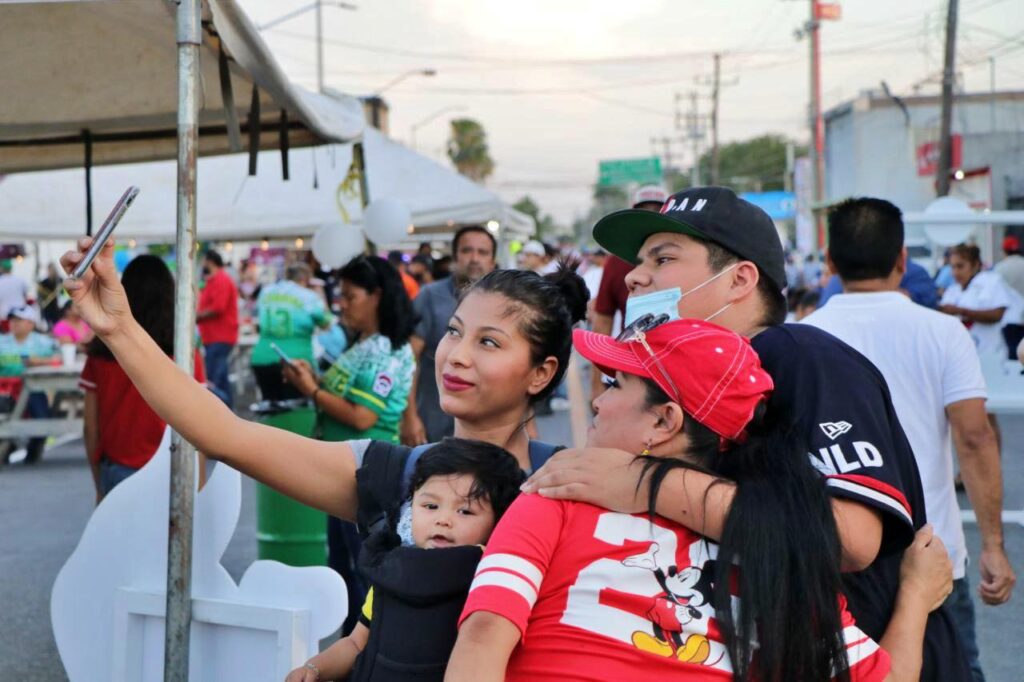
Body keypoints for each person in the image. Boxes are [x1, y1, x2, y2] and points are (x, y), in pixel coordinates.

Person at [522, 186, 972, 681]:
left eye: (663, 257)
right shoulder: (686, 380)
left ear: (739, 279)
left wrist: (642, 482)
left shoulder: (796, 354)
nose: (634, 275)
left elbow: (851, 537)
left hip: (876, 657)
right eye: (638, 260)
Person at [450, 318, 954, 682]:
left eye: (614, 383)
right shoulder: (780, 558)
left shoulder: (559, 492)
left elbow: (483, 638)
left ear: (664, 421)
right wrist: (914, 599)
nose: (598, 401)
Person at [60, 236, 585, 551]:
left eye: (488, 342)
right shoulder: (391, 473)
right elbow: (224, 434)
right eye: (453, 331)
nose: (457, 355)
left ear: (541, 373)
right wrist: (120, 328)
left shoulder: (576, 485)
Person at [803, 198, 1016, 682]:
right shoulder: (942, 332)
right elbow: (975, 439)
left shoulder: (802, 337)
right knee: (958, 668)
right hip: (932, 547)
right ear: (902, 259)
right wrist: (994, 546)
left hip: (839, 554)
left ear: (831, 262)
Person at [286, 438, 524, 682]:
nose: (443, 520)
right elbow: (357, 643)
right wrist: (314, 669)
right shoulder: (391, 568)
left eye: (465, 511)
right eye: (430, 506)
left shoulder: (493, 577)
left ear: (499, 522)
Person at [281, 254, 416, 632]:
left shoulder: (387, 349)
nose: (342, 306)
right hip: (346, 471)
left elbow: (362, 417)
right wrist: (314, 381)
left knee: (363, 574)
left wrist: (312, 391)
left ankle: (362, 656)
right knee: (344, 571)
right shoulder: (365, 344)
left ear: (376, 296)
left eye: (350, 296)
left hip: (369, 475)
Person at [80, 255, 206, 499]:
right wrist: (199, 484)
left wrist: (98, 483)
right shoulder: (185, 356)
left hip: (117, 469)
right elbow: (201, 428)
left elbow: (90, 427)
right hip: (173, 467)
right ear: (170, 296)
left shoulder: (100, 355)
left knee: (122, 538)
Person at [401, 226, 498, 446]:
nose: (474, 258)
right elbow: (408, 361)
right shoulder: (429, 296)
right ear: (454, 258)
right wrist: (410, 417)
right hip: (433, 424)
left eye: (482, 252)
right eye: (467, 251)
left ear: (492, 261)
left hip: (485, 428)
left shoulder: (504, 303)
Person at [590, 186, 668, 403]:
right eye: (644, 212)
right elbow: (603, 322)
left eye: (657, 211)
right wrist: (596, 385)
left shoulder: (685, 260)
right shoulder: (616, 263)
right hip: (632, 370)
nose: (651, 218)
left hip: (680, 370)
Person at [249, 263, 332, 402]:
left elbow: (257, 317)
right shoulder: (309, 296)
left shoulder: (267, 291)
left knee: (271, 408)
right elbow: (326, 324)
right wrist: (320, 295)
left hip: (262, 357)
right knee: (297, 412)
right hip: (296, 362)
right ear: (305, 279)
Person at [939, 243, 1024, 357]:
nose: (955, 272)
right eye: (952, 267)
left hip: (990, 354)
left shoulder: (991, 282)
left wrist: (961, 311)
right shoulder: (952, 290)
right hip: (961, 355)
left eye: (960, 266)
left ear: (975, 265)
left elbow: (997, 315)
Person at [0, 305, 58, 462]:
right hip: (5, 391)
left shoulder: (44, 342)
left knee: (42, 416)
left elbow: (60, 359)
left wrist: (38, 362)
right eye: (12, 320)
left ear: (31, 323)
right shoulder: (2, 341)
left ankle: (34, 449)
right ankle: (7, 446)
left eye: (19, 320)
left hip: (33, 389)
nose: (15, 323)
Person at [196, 250, 239, 407]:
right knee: (220, 379)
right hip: (214, 337)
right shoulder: (213, 280)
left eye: (204, 261)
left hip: (220, 337)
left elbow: (218, 308)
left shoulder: (221, 280)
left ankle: (223, 415)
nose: (202, 264)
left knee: (215, 381)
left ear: (210, 261)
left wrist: (196, 317)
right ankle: (229, 414)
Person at [0, 259, 29, 331]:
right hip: (21, 316)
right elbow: (25, 297)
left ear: (1, 268)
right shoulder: (21, 280)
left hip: (5, 318)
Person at [37, 263, 63, 328]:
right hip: (47, 308)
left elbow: (64, 295)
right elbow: (40, 296)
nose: (50, 271)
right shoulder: (43, 283)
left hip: (58, 308)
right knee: (49, 326)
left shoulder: (60, 280)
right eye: (49, 270)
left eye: (52, 269)